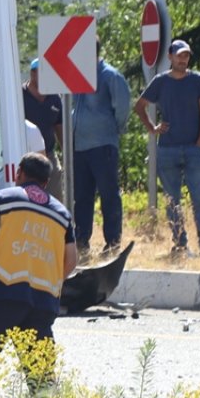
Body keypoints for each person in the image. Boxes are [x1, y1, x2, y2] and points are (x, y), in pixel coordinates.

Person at [0, 153, 78, 352]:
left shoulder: (0, 200)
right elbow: (71, 259)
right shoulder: (62, 214)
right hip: (44, 303)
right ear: (46, 182)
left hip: (4, 295)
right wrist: (50, 279)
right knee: (40, 376)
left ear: (19, 173)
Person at [134, 39, 200, 255]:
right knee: (172, 201)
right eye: (179, 55)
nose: (182, 59)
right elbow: (139, 106)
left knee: (199, 199)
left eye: (186, 55)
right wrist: (152, 128)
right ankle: (180, 243)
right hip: (168, 149)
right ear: (170, 57)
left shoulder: (198, 80)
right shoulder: (161, 82)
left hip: (193, 149)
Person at [71, 55, 131, 255]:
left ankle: (112, 243)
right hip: (79, 147)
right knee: (82, 197)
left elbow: (123, 106)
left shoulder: (110, 75)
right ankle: (81, 243)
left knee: (108, 195)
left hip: (103, 144)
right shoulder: (75, 75)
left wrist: (114, 129)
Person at [24, 58, 65, 200]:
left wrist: (67, 155)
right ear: (32, 74)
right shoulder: (20, 96)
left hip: (49, 156)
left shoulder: (55, 98)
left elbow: (60, 128)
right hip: (26, 159)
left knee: (56, 199)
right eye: (40, 73)